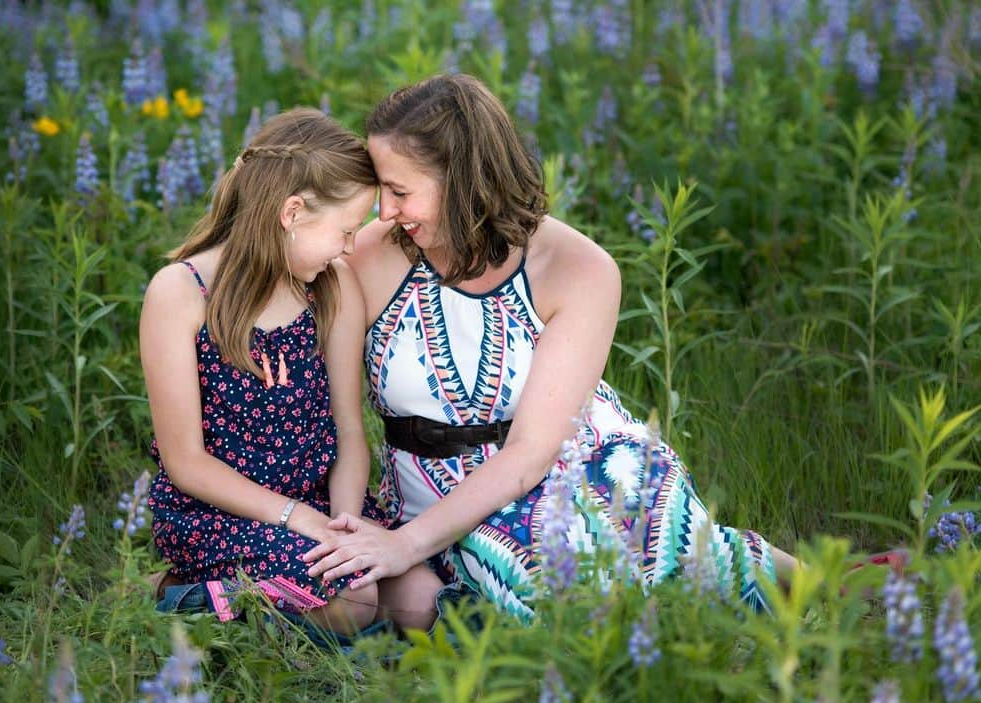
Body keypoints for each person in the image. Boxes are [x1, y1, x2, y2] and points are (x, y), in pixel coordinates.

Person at [302, 75, 799, 620]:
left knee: (625, 552)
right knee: (522, 585)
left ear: (466, 181)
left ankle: (808, 581)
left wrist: (403, 545)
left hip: (575, 463)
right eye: (382, 190)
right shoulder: (371, 257)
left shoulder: (577, 268)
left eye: (400, 192)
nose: (386, 212)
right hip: (433, 489)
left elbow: (532, 452)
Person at [140, 108, 443, 637]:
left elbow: (348, 429)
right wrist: (295, 518)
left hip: (321, 505)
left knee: (423, 601)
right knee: (355, 600)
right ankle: (184, 598)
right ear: (293, 212)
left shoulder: (332, 287)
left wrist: (345, 525)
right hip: (222, 514)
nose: (352, 247)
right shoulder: (182, 291)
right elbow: (184, 461)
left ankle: (266, 609)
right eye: (346, 230)